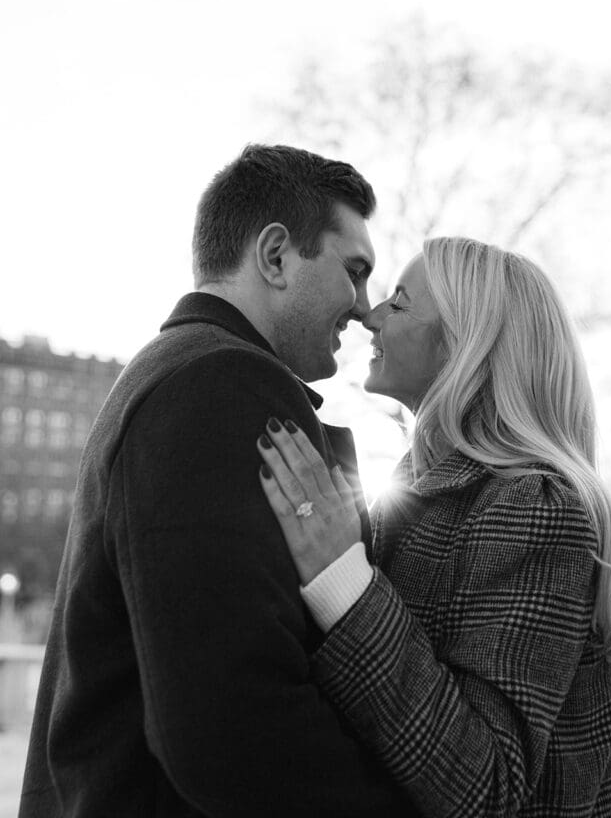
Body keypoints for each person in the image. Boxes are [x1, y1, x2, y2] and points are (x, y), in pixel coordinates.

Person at [20, 144, 417, 817]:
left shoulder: (174, 371)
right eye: (354, 272)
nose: (362, 307)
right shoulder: (219, 385)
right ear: (274, 257)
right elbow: (229, 721)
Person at [256, 237, 611, 818]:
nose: (368, 315)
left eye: (398, 302)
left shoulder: (537, 509)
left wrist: (343, 582)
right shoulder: (426, 490)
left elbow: (486, 789)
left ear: (462, 346)